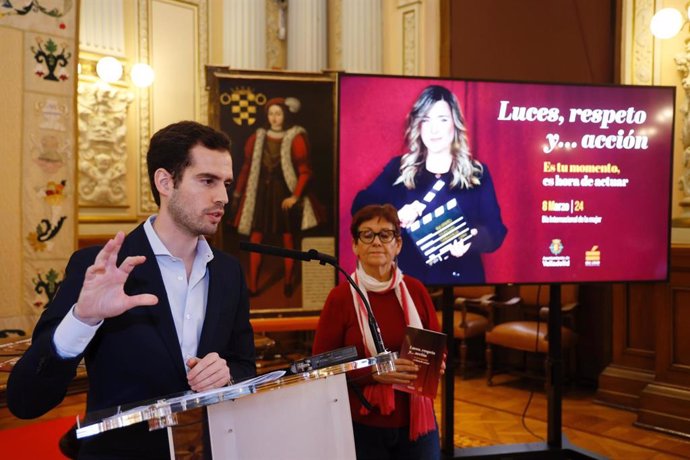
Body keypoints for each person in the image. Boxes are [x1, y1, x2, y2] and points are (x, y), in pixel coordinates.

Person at [7, 121, 256, 459]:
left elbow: (244, 364)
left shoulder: (228, 272)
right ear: (165, 182)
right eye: (207, 181)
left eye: (225, 183)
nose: (223, 197)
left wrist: (226, 375)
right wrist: (83, 318)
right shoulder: (99, 267)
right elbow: (26, 399)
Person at [313, 204, 442, 460]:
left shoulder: (416, 290)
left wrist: (437, 363)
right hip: (362, 424)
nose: (376, 242)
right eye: (367, 234)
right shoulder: (340, 298)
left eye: (385, 234)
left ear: (398, 244)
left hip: (417, 422)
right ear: (355, 245)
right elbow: (321, 368)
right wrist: (375, 372)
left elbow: (437, 346)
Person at [352, 85, 507, 285]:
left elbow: (496, 230)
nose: (434, 129)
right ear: (418, 125)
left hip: (461, 283)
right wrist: (393, 215)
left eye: (442, 120)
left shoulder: (476, 173)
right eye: (426, 120)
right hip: (407, 283)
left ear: (455, 123)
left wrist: (471, 241)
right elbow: (359, 206)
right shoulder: (398, 169)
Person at [232, 96, 321, 297]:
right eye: (271, 113)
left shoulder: (295, 137)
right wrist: (238, 192)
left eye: (278, 113)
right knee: (256, 239)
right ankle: (253, 286)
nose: (274, 118)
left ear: (285, 114)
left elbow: (305, 172)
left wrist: (295, 197)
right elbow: (246, 168)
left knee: (288, 239)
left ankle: (288, 282)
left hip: (284, 195)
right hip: (261, 195)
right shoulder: (257, 137)